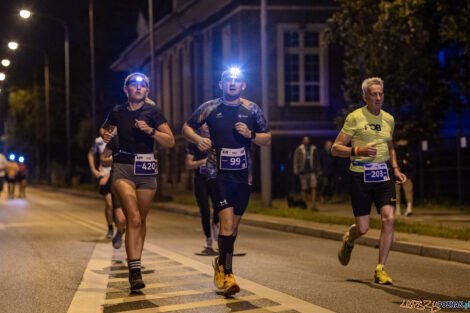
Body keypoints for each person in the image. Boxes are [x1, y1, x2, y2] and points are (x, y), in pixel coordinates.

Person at [182, 67, 271, 296]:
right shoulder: (209, 107)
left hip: (243, 175)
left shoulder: (252, 109)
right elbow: (186, 128)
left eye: (237, 80)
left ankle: (220, 264)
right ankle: (227, 274)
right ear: (221, 85)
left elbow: (267, 138)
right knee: (227, 224)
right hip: (217, 172)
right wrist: (199, 139)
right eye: (228, 80)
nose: (232, 83)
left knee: (233, 228)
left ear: (243, 85)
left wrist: (251, 135)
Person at [101, 72, 174, 291]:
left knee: (140, 220)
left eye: (143, 85)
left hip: (147, 169)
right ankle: (135, 272)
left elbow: (170, 140)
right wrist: (106, 136)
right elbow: (105, 128)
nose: (139, 88)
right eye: (134, 84)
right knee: (132, 217)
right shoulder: (118, 111)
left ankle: (134, 261)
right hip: (122, 167)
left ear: (147, 91)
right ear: (126, 89)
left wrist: (150, 130)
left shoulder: (153, 112)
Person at [331, 77, 406, 285]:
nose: (379, 97)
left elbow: (390, 146)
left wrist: (396, 168)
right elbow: (335, 148)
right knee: (363, 228)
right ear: (365, 96)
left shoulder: (388, 119)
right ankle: (349, 239)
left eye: (381, 94)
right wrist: (358, 150)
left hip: (384, 175)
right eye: (374, 94)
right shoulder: (355, 118)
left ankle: (380, 268)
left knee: (389, 218)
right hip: (360, 176)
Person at [185, 123, 219, 253]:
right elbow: (188, 164)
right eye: (204, 124)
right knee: (204, 209)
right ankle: (208, 239)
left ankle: (216, 223)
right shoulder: (193, 143)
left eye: (208, 123)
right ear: (200, 127)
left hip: (215, 178)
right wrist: (201, 162)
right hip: (200, 179)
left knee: (219, 206)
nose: (207, 126)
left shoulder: (217, 140)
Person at [88, 136, 115, 239]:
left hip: (117, 174)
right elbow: (91, 154)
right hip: (104, 175)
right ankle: (110, 227)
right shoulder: (99, 141)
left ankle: (119, 224)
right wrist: (94, 170)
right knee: (109, 203)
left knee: (118, 204)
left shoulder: (118, 138)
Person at [293, 136, 320, 211]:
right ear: (303, 140)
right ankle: (305, 205)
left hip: (312, 171)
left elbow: (317, 160)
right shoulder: (299, 149)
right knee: (304, 188)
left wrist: (318, 170)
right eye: (305, 139)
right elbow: (295, 159)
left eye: (308, 139)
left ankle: (314, 205)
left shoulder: (313, 148)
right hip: (303, 171)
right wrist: (296, 169)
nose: (306, 141)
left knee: (313, 187)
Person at [394, 134, 414, 216]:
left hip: (406, 173)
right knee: (397, 191)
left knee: (407, 190)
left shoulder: (408, 149)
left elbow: (411, 162)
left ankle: (408, 209)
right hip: (398, 173)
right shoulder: (394, 149)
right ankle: (398, 209)